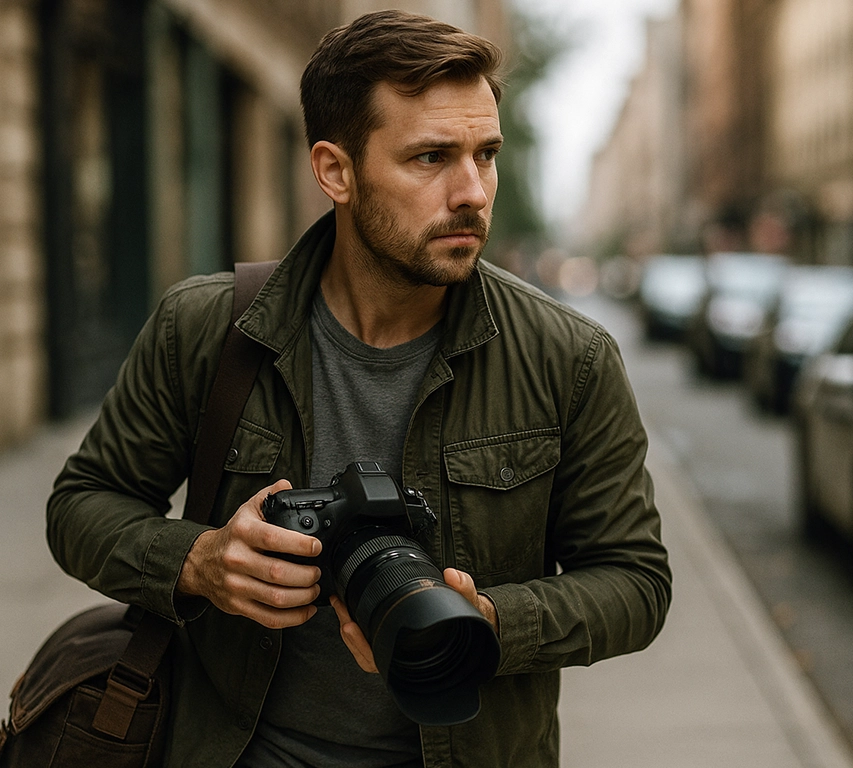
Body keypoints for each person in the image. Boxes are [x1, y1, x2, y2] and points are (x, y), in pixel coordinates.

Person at [47, 9, 672, 768]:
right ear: (335, 171)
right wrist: (199, 561)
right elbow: (82, 505)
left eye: (487, 154)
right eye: (431, 157)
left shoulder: (568, 357)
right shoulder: (206, 328)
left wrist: (491, 623)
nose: (472, 191)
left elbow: (636, 581)